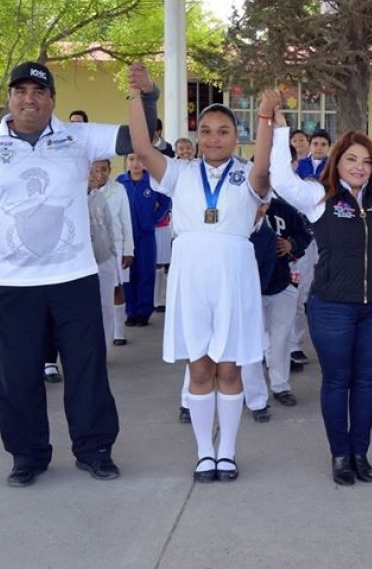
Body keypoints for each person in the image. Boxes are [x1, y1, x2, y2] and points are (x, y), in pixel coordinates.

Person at [0, 61, 159, 487]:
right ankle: (27, 455)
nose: (29, 99)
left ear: (51, 99)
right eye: (21, 91)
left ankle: (95, 449)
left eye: (39, 92)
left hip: (72, 277)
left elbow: (139, 138)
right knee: (18, 373)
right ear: (10, 98)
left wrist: (147, 96)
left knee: (86, 368)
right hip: (11, 281)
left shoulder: (76, 137)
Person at [266, 90, 372, 486]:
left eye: (367, 161)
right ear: (338, 161)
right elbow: (281, 180)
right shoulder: (320, 196)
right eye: (352, 159)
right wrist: (281, 128)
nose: (360, 166)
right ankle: (339, 455)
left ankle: (360, 453)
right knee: (337, 381)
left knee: (366, 382)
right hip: (332, 307)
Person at [129, 84, 270, 482]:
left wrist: (264, 118)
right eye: (206, 130)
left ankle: (227, 452)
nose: (213, 138)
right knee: (200, 367)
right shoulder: (180, 172)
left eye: (223, 131)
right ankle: (204, 453)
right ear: (197, 137)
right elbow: (141, 147)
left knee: (229, 368)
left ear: (236, 136)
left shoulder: (248, 174)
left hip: (233, 275)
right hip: (191, 275)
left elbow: (262, 168)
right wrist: (135, 96)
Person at [251, 190, 312, 409]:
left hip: (280, 282)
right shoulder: (239, 205)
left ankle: (280, 386)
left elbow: (304, 234)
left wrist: (291, 245)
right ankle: (252, 394)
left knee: (280, 339)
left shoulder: (284, 208)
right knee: (251, 343)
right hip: (249, 287)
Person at [117, 153, 171, 326]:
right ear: (127, 161)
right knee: (128, 274)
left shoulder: (153, 182)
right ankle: (130, 312)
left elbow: (167, 201)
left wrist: (153, 219)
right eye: (132, 159)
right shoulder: (120, 182)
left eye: (140, 159)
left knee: (146, 273)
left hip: (146, 236)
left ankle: (143, 312)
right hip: (126, 236)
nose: (136, 163)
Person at [93, 160, 134, 347]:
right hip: (91, 248)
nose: (99, 174)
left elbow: (126, 220)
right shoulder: (82, 189)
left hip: (115, 246)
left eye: (103, 170)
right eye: (95, 170)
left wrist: (128, 249)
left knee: (116, 290)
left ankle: (118, 332)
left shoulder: (118, 189)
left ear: (110, 170)